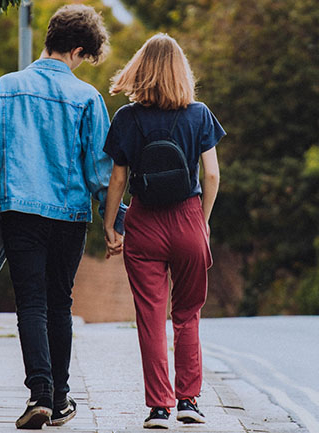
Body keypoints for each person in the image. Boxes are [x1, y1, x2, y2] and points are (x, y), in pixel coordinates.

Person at [0, 5, 125, 429]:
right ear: (77, 50)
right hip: (70, 217)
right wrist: (116, 220)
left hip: (19, 211)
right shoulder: (87, 99)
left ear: (48, 39)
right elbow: (100, 171)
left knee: (31, 303)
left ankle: (39, 393)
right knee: (60, 301)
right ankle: (60, 399)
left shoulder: (5, 88)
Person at [102, 33, 225, 429]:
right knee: (187, 314)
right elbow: (211, 174)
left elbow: (118, 178)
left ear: (141, 69)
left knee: (150, 317)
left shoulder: (127, 118)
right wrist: (201, 221)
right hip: (188, 217)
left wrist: (110, 224)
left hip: (144, 222)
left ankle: (159, 408)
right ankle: (189, 400)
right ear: (181, 72)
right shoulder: (199, 114)